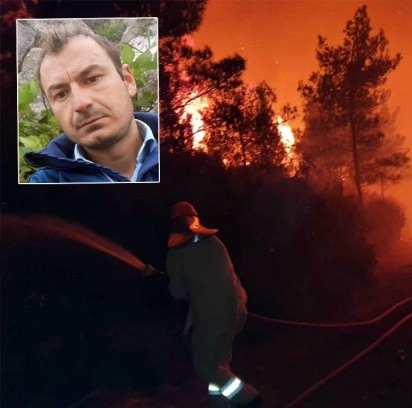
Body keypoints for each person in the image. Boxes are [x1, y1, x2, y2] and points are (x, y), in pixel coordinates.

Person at [23, 23, 159, 183]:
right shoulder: (43, 188)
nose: (80, 103)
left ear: (128, 81)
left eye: (92, 79)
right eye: (60, 94)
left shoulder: (188, 150)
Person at [166, 202, 261, 408]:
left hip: (211, 318)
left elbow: (179, 294)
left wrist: (171, 281)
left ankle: (247, 397)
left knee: (205, 366)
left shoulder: (176, 254)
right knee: (219, 365)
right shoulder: (215, 242)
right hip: (237, 311)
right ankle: (219, 405)